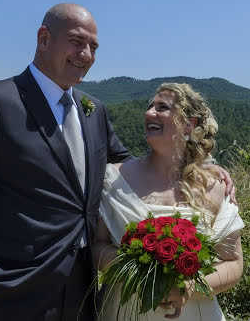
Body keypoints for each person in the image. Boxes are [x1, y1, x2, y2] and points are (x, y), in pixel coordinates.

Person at [0, 3, 235, 321]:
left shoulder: (92, 109)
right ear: (43, 38)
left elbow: (127, 165)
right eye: (77, 41)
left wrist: (203, 167)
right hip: (10, 296)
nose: (86, 54)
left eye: (93, 47)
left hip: (83, 296)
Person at [93, 83, 244, 321]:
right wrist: (142, 275)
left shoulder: (215, 186)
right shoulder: (113, 178)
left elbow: (234, 263)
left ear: (188, 124)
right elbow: (97, 246)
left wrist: (190, 286)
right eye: (149, 106)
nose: (149, 112)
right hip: (125, 312)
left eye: (162, 107)